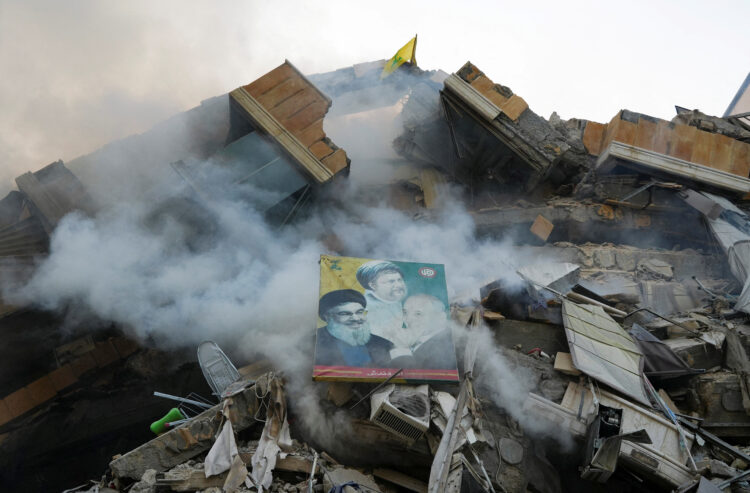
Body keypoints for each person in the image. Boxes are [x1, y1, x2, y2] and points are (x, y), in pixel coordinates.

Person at [314, 289, 392, 368]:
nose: (356, 318)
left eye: (359, 312)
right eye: (345, 314)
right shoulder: (313, 343)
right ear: (327, 317)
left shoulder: (384, 344)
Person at [355, 260, 413, 350]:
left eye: (399, 280)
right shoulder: (365, 308)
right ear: (373, 285)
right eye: (391, 281)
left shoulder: (394, 299)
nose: (398, 285)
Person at [401, 293, 457, 370]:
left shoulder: (446, 349)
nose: (407, 319)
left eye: (418, 314)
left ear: (441, 318)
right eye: (405, 313)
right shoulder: (412, 340)